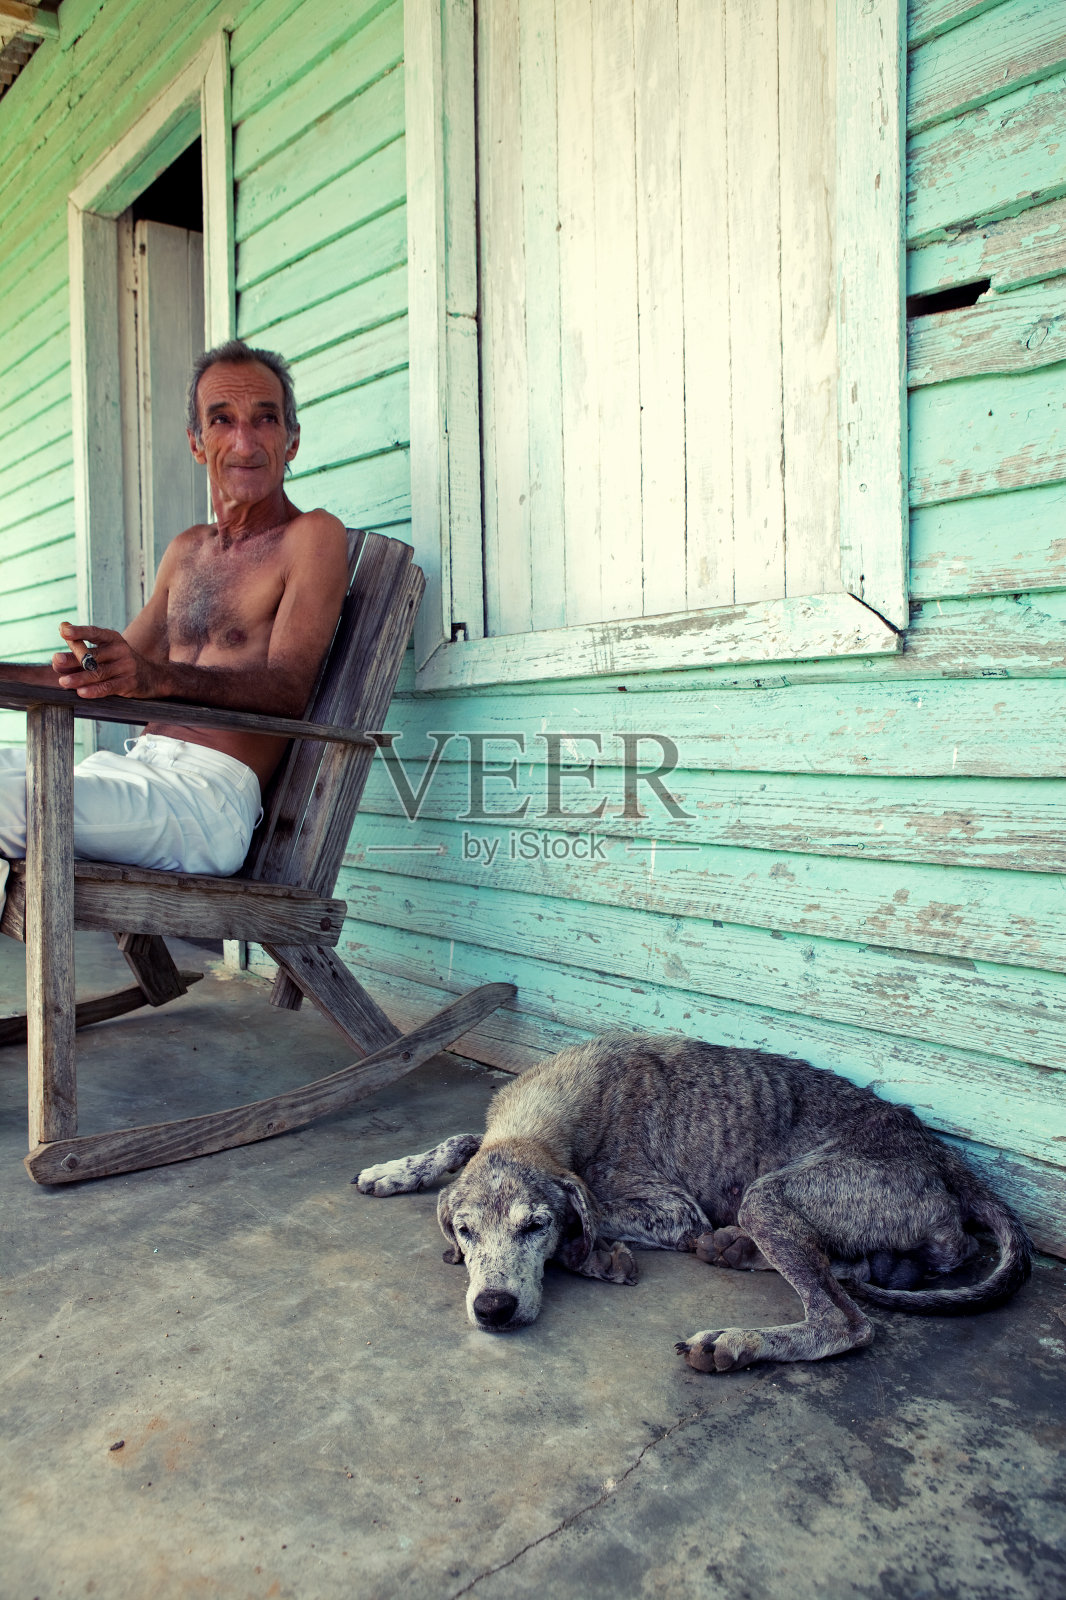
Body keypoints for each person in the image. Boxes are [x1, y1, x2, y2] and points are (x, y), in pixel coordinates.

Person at [0, 339, 350, 893]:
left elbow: (288, 689)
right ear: (195, 441)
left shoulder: (311, 538)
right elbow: (95, 677)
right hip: (131, 772)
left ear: (292, 440)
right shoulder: (188, 550)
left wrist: (157, 678)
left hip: (205, 801)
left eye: (265, 419)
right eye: (222, 420)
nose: (245, 441)